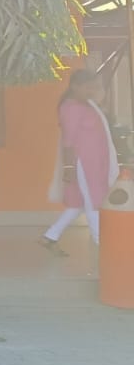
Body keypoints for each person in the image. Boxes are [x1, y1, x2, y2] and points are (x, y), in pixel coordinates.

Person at [42, 70, 118, 255]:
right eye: (88, 87)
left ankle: (50, 236)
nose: (92, 90)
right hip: (84, 164)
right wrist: (69, 167)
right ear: (75, 86)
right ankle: (103, 246)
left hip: (96, 163)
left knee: (79, 203)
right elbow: (68, 141)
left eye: (94, 86)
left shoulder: (87, 104)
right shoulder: (70, 108)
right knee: (94, 201)